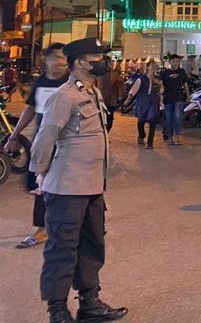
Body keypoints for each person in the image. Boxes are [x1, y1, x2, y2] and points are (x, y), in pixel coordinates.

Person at [29, 38, 127, 323]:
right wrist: (39, 172)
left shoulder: (93, 92)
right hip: (67, 188)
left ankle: (89, 302)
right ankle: (57, 310)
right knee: (62, 249)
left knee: (92, 245)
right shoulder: (64, 96)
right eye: (97, 56)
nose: (103, 61)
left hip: (93, 187)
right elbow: (46, 136)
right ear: (81, 62)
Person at [6, 43, 68, 249]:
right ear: (46, 59)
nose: (60, 62)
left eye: (63, 58)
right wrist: (13, 136)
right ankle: (45, 228)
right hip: (43, 145)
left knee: (66, 187)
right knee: (38, 186)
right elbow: (30, 110)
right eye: (56, 57)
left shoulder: (71, 82)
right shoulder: (41, 83)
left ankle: (62, 226)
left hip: (67, 146)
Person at [126, 59, 161, 148]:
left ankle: (150, 143)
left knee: (152, 121)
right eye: (152, 66)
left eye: (155, 66)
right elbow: (134, 90)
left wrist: (160, 88)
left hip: (153, 103)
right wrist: (128, 100)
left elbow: (161, 91)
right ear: (147, 67)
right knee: (141, 121)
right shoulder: (141, 79)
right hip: (142, 103)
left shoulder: (157, 80)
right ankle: (141, 136)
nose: (153, 68)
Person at [159, 54, 187, 145]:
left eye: (177, 61)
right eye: (173, 61)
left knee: (177, 117)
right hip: (167, 99)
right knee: (169, 118)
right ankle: (170, 137)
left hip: (178, 98)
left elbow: (185, 84)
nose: (175, 63)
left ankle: (177, 136)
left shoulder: (182, 72)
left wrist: (188, 94)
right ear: (170, 62)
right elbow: (161, 83)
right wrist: (161, 89)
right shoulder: (165, 72)